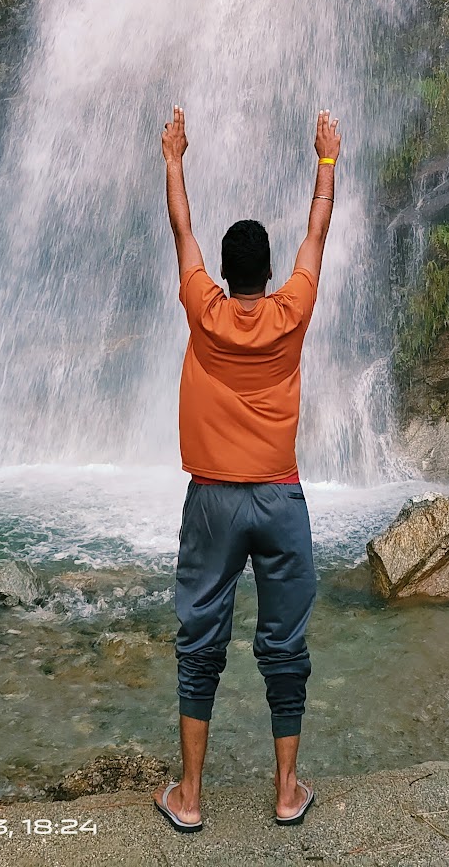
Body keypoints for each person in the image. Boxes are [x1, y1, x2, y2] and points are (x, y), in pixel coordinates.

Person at [153, 106, 341, 834]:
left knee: (200, 641)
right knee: (284, 645)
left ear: (225, 274)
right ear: (268, 271)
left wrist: (174, 158)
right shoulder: (292, 310)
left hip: (213, 503)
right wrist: (325, 161)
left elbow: (181, 232)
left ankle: (191, 798)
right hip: (280, 498)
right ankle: (287, 791)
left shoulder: (205, 309)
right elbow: (317, 234)